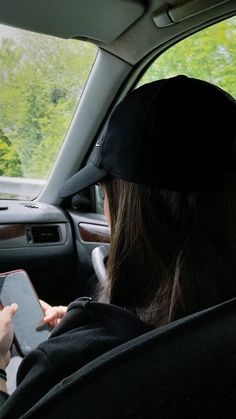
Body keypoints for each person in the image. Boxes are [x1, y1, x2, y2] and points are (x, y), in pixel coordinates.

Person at [0, 75, 235, 417]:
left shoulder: (76, 365)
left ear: (126, 205)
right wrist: (88, 320)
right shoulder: (216, 324)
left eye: (105, 191)